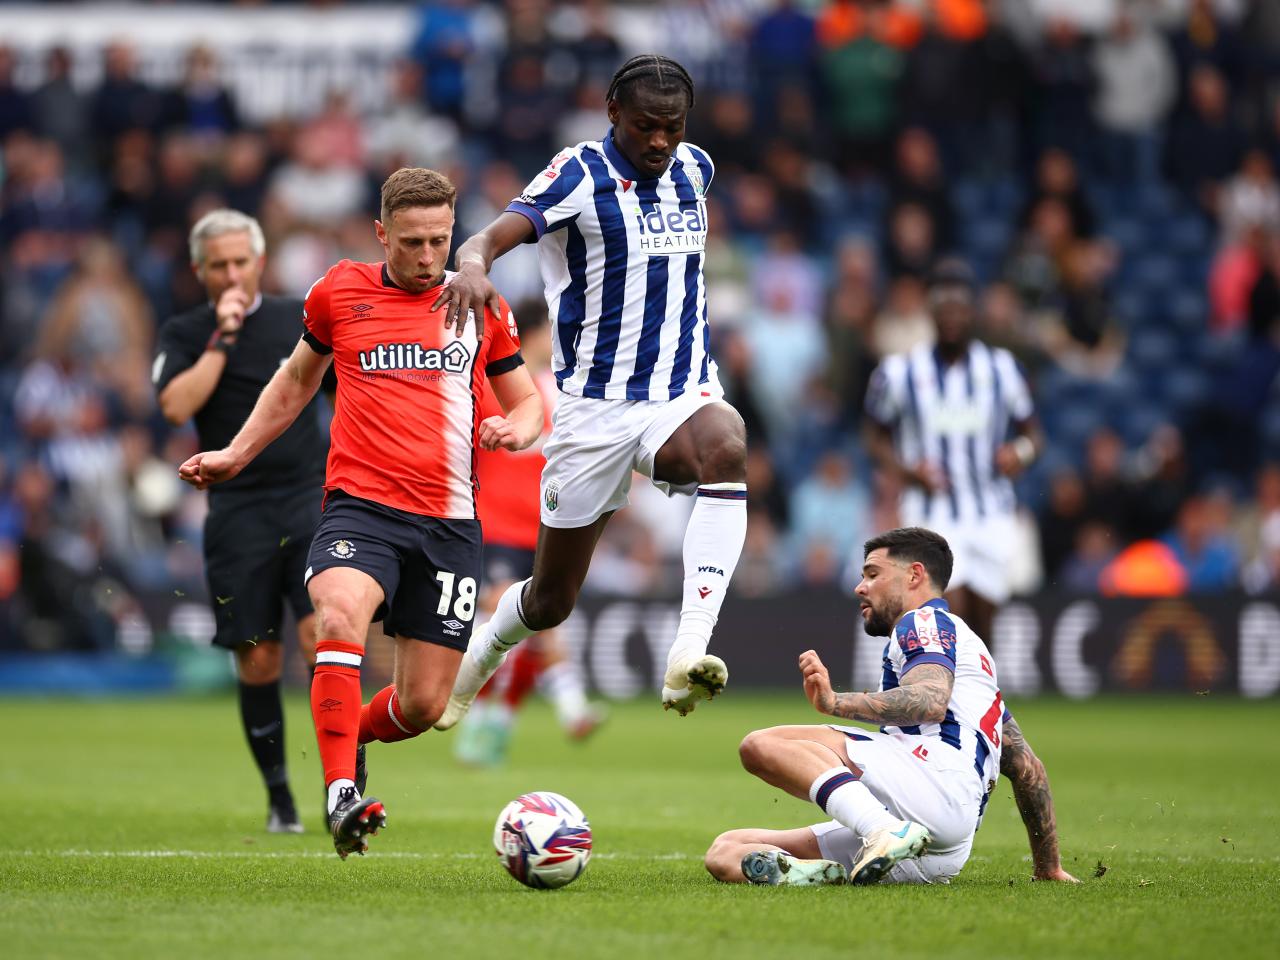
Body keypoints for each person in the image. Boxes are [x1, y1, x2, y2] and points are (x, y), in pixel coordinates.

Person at [178, 169, 543, 858]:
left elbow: (526, 403)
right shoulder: (338, 292)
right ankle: (341, 792)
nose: (428, 256)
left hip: (449, 525)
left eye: (440, 240)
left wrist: (516, 432)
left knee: (425, 708)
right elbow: (295, 382)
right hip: (360, 509)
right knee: (337, 618)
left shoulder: (482, 305)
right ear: (382, 234)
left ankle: (356, 736)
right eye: (411, 242)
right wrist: (234, 452)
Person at [432, 54, 749, 725]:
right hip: (592, 411)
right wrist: (468, 263)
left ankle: (688, 649)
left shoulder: (697, 168)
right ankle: (480, 659)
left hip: (679, 392)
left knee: (727, 445)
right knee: (551, 600)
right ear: (611, 112)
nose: (661, 140)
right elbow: (491, 236)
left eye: (673, 125)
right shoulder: (577, 172)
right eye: (645, 126)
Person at [704, 527, 1078, 887]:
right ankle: (814, 871)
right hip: (943, 849)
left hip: (930, 788)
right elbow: (1029, 769)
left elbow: (930, 701)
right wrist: (1048, 867)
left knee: (761, 746)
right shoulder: (974, 669)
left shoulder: (923, 620)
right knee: (726, 852)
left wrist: (836, 702)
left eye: (872, 573)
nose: (860, 587)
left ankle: (880, 831)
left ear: (915, 575)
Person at [153, 209, 327, 834]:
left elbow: (344, 391)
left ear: (259, 262)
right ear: (199, 271)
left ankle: (346, 786)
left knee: (323, 639)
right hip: (237, 511)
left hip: (309, 498)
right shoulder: (185, 331)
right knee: (258, 660)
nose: (231, 274)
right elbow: (176, 406)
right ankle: (281, 800)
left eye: (240, 261)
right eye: (218, 265)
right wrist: (221, 340)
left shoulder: (298, 319)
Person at [453, 306, 605, 767]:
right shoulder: (490, 386)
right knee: (499, 616)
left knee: (539, 624)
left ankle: (505, 722)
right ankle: (488, 716)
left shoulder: (560, 393)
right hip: (495, 526)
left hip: (542, 529)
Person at [864, 258, 1042, 641]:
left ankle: (972, 697)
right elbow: (874, 437)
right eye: (943, 308)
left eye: (959, 308)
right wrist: (908, 472)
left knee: (983, 620)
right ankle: (946, 695)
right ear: (931, 311)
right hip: (932, 509)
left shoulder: (1002, 369)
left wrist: (1020, 453)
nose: (951, 318)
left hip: (990, 506)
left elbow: (1033, 435)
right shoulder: (899, 373)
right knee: (949, 607)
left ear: (971, 311)